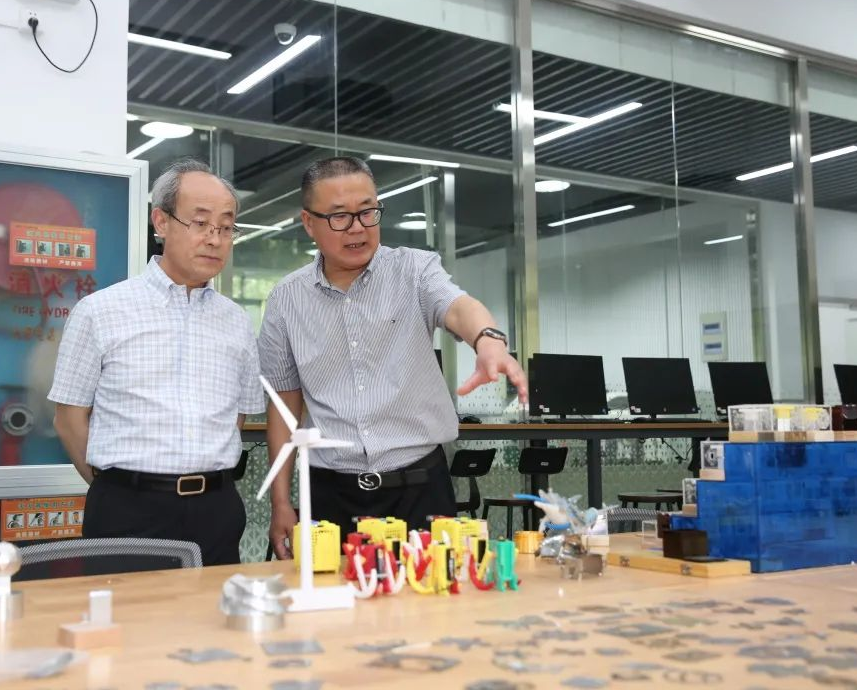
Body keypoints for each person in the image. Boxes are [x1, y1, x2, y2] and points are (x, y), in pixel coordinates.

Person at [258, 156, 528, 559]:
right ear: (309, 223)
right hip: (330, 495)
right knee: (336, 597)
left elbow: (457, 307)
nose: (358, 228)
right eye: (339, 216)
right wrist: (280, 502)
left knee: (431, 595)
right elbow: (284, 408)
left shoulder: (414, 270)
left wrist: (488, 339)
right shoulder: (286, 300)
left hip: (420, 490)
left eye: (368, 211)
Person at [49, 158, 264, 565]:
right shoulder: (100, 311)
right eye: (200, 223)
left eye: (225, 227)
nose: (215, 239)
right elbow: (69, 418)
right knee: (124, 609)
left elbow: (236, 417)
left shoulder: (236, 321)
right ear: (161, 222)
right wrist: (119, 486)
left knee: (214, 608)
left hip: (216, 510)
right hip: (127, 511)